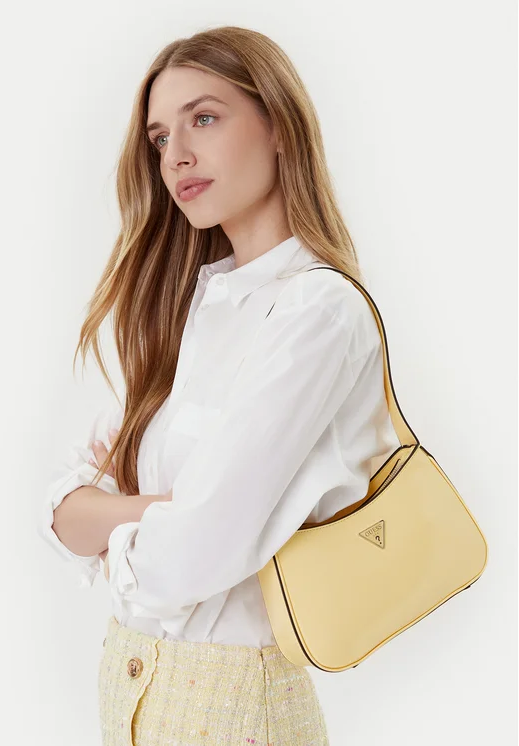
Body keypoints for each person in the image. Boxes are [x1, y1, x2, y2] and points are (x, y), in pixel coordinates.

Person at [38, 24, 400, 745]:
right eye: (159, 138)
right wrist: (163, 511)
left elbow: (190, 556)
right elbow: (60, 511)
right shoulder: (195, 311)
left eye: (203, 118)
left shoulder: (319, 311)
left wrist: (126, 522)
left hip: (236, 715)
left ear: (279, 127)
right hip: (129, 698)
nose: (175, 155)